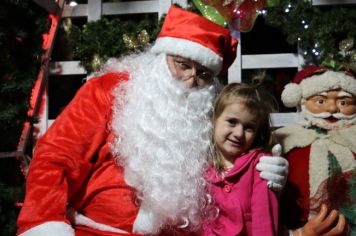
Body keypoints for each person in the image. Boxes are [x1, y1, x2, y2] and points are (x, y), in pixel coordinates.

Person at [17, 6, 288, 236]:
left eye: (204, 73)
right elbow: (56, 156)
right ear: (162, 57)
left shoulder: (207, 112)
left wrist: (267, 173)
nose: (192, 79)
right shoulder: (110, 90)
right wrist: (43, 222)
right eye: (182, 65)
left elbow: (232, 166)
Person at [274, 66, 355, 236]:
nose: (332, 109)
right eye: (321, 101)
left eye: (343, 102)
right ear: (301, 100)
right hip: (297, 226)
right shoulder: (284, 138)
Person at [200, 83, 279, 235]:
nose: (239, 133)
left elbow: (264, 218)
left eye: (249, 127)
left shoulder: (259, 165)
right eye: (232, 122)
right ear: (214, 120)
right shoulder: (201, 164)